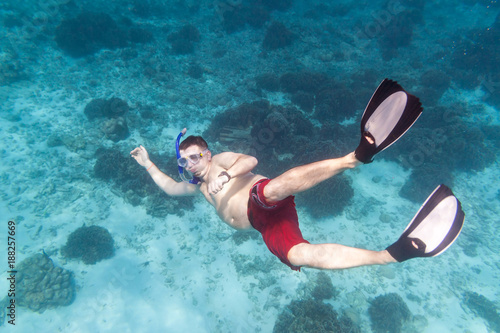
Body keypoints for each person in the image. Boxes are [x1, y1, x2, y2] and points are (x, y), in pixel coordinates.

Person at [130, 79, 465, 271]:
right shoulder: (197, 187)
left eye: (195, 156)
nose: (190, 163)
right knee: (298, 255)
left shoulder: (222, 161)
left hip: (260, 196)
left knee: (270, 190)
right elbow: (172, 189)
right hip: (264, 224)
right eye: (184, 160)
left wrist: (226, 176)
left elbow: (250, 159)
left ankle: (355, 158)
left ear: (207, 152)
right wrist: (147, 164)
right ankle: (392, 254)